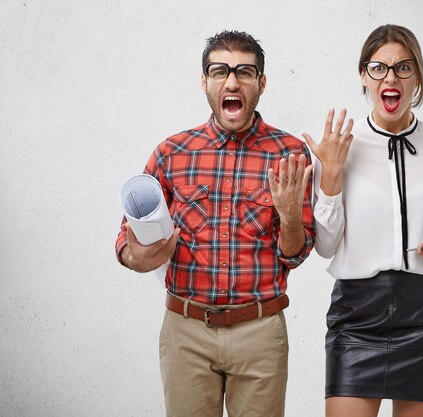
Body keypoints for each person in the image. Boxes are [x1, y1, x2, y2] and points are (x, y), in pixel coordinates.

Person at [115, 30, 315, 417]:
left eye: (245, 71)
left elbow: (295, 254)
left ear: (262, 83)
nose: (232, 81)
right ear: (204, 81)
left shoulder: (290, 154)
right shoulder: (171, 153)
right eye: (219, 70)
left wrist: (290, 216)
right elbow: (125, 237)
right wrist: (133, 256)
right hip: (186, 330)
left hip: (259, 331)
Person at [304, 24, 423, 417]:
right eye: (379, 68)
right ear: (364, 75)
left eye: (403, 68)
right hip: (356, 314)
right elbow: (325, 245)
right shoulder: (339, 145)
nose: (390, 78)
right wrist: (329, 174)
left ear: (418, 77)